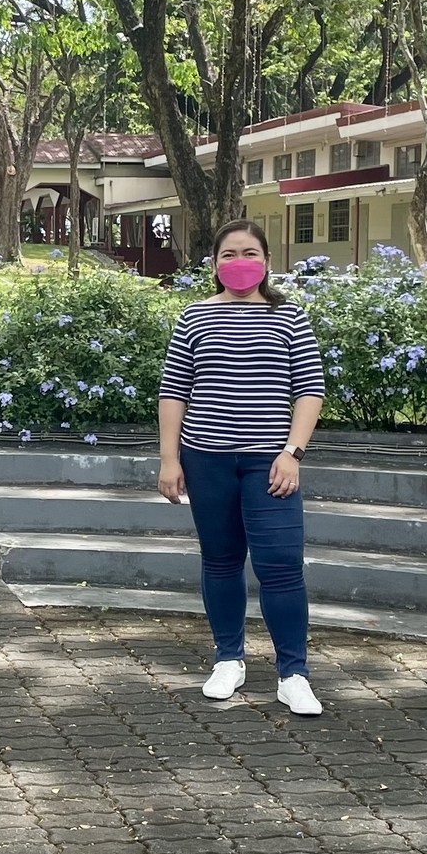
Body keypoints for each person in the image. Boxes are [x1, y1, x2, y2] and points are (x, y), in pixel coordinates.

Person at [157, 219, 326, 716]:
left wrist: (293, 453)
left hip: (270, 464)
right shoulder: (194, 316)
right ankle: (228, 659)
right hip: (206, 459)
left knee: (281, 565)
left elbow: (309, 390)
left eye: (250, 253)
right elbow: (174, 392)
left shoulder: (290, 317)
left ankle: (293, 674)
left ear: (268, 261)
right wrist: (169, 459)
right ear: (214, 264)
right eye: (228, 254)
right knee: (220, 560)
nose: (239, 262)